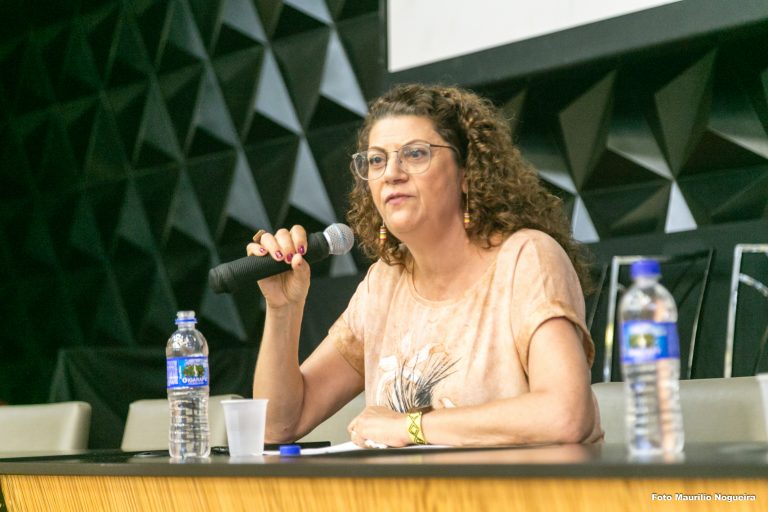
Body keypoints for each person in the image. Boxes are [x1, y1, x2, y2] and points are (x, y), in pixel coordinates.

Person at [249, 83, 603, 448]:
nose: (392, 173)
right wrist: (283, 309)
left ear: (467, 172)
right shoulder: (383, 283)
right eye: (376, 160)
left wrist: (410, 427)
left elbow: (565, 415)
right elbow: (277, 426)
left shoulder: (526, 258)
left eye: (415, 154)